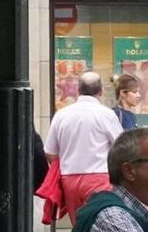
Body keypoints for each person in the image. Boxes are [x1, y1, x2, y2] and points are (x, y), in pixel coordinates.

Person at [44, 72, 125, 221]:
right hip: (99, 176)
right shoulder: (106, 114)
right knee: (102, 224)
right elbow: (121, 147)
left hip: (69, 179)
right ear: (100, 91)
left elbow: (50, 153)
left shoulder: (61, 115)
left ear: (78, 90)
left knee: (79, 225)